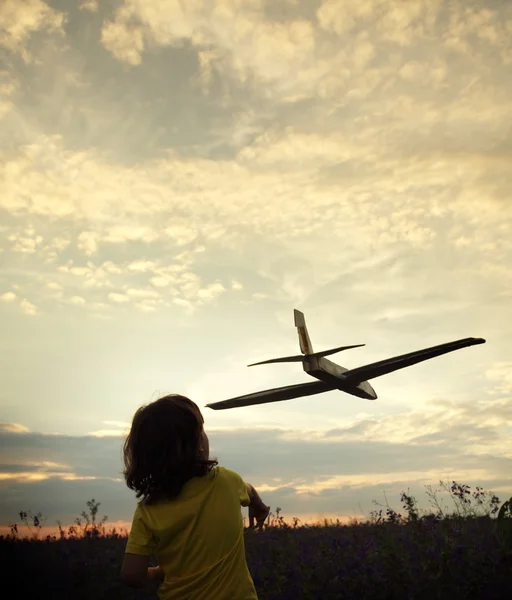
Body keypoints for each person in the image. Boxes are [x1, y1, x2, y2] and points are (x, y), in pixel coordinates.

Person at [120, 394, 270, 599]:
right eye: (201, 430)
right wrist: (258, 505)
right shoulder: (226, 481)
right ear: (197, 445)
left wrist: (156, 572)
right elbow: (249, 490)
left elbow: (131, 575)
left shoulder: (148, 510)